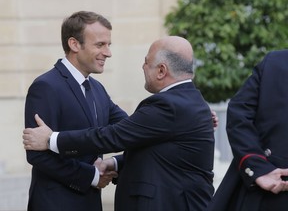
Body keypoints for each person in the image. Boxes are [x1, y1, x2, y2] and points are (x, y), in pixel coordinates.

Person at [23, 35, 216, 211]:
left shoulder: (170, 105)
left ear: (161, 70)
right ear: (74, 44)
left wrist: (51, 139)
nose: (142, 67)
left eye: (146, 62)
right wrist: (113, 162)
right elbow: (150, 146)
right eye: (100, 44)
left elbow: (114, 135)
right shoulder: (190, 103)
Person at [24, 11, 126, 211]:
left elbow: (130, 128)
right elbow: (37, 156)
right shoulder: (46, 86)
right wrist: (92, 176)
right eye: (100, 45)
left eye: (108, 45)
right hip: (55, 204)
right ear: (74, 44)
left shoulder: (97, 89)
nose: (108, 52)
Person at [206, 50, 288, 211]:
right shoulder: (275, 62)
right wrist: (259, 168)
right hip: (263, 191)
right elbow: (239, 113)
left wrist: (258, 168)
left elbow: (239, 114)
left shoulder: (275, 61)